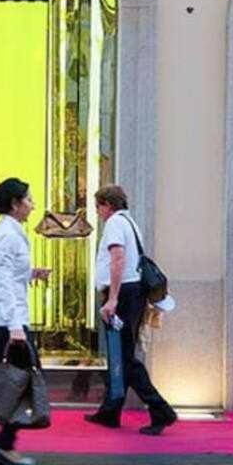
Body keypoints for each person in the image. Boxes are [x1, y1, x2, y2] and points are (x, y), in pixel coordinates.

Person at [85, 185, 177, 436]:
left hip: (123, 295)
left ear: (107, 204)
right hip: (132, 293)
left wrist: (112, 299)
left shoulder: (115, 223)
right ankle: (111, 410)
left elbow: (118, 260)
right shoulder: (130, 223)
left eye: (98, 207)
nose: (98, 212)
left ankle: (161, 410)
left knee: (124, 358)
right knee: (121, 355)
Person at [0, 178, 48, 465]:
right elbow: (2, 282)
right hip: (7, 320)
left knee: (2, 380)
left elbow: (7, 275)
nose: (32, 205)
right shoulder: (7, 235)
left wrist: (30, 273)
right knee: (20, 378)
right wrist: (15, 327)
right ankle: (1, 444)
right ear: (16, 204)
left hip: (4, 317)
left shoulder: (7, 232)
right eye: (28, 200)